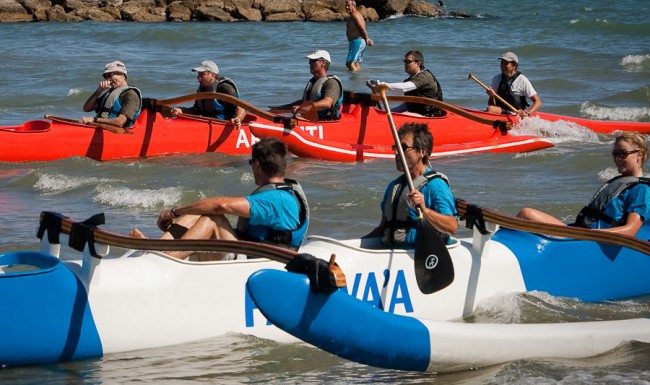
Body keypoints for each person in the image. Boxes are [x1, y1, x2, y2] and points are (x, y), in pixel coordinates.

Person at [130, 137, 309, 261]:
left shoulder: (276, 200)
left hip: (259, 262)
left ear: (256, 164)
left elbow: (221, 205)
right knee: (196, 212)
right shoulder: (282, 194)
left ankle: (164, 260)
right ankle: (158, 250)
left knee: (212, 217)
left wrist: (173, 212)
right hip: (251, 251)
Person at [517, 132, 650, 238]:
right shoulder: (621, 183)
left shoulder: (641, 190)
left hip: (588, 240)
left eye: (623, 154)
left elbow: (630, 231)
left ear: (639, 155)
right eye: (615, 154)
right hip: (581, 233)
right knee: (526, 216)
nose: (617, 158)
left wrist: (589, 235)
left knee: (527, 214)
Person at [364, 122, 457, 246]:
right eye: (396, 148)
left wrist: (424, 210)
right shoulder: (394, 186)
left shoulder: (436, 186)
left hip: (420, 255)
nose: (397, 153)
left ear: (421, 152)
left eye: (403, 148)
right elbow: (382, 228)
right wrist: (355, 244)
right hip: (390, 253)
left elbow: (452, 227)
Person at [268, 50, 343, 121]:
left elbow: (327, 103)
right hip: (311, 120)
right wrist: (278, 109)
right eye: (310, 61)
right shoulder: (314, 82)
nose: (309, 63)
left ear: (323, 63)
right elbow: (304, 102)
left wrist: (302, 108)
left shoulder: (332, 82)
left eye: (313, 61)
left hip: (326, 121)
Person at [170, 60, 246, 129]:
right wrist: (182, 110)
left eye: (202, 74)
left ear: (212, 75)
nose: (198, 77)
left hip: (225, 126)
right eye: (198, 74)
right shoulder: (201, 90)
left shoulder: (225, 88)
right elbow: (196, 110)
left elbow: (241, 108)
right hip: (208, 125)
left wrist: (238, 119)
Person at [368, 50, 445, 117]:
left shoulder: (424, 77)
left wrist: (382, 85)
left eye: (408, 62)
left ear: (418, 63)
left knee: (403, 115)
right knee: (393, 114)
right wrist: (388, 112)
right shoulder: (410, 79)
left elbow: (404, 87)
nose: (405, 64)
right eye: (404, 62)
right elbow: (408, 104)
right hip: (417, 113)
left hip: (429, 115)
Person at [80, 61, 142, 128]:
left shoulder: (131, 95)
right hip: (101, 128)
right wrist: (99, 91)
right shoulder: (110, 94)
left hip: (119, 133)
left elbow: (120, 122)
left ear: (122, 76)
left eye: (110, 75)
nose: (108, 79)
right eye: (105, 76)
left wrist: (94, 120)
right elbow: (87, 108)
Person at [486, 51, 542, 119]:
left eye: (506, 63)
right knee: (490, 108)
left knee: (490, 109)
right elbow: (491, 104)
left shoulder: (522, 80)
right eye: (501, 63)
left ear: (514, 65)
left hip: (515, 114)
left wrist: (528, 113)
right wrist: (492, 96)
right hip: (501, 112)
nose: (502, 66)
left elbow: (538, 102)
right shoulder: (496, 79)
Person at [345, 0, 373, 72]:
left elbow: (361, 28)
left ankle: (354, 79)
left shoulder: (354, 15)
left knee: (349, 63)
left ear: (354, 6)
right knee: (356, 63)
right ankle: (357, 81)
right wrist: (366, 39)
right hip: (358, 41)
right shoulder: (356, 15)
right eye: (346, 6)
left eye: (348, 5)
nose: (347, 7)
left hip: (357, 42)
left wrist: (366, 39)